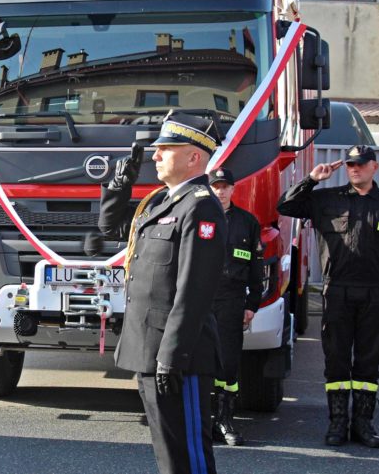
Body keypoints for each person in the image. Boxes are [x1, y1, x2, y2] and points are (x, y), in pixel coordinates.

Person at [99, 113, 226, 474]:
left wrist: (172, 356)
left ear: (194, 157)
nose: (156, 155)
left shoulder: (200, 206)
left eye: (166, 149)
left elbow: (193, 291)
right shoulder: (159, 201)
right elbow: (110, 227)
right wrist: (120, 184)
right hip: (149, 350)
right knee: (169, 454)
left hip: (177, 356)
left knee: (189, 457)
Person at [277, 145, 379, 448]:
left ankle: (363, 425)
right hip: (336, 290)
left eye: (361, 165)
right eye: (350, 165)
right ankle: (337, 423)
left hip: (375, 293)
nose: (354, 169)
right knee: (336, 359)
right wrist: (312, 179)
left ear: (374, 167)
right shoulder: (326, 200)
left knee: (368, 361)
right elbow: (284, 206)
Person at [208, 168, 263, 447]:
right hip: (200, 301)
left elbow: (256, 268)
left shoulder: (247, 222)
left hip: (232, 302)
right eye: (216, 186)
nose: (220, 191)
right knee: (199, 360)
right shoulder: (198, 216)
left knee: (228, 363)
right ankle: (204, 421)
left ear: (233, 189)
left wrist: (252, 304)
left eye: (225, 186)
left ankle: (225, 420)